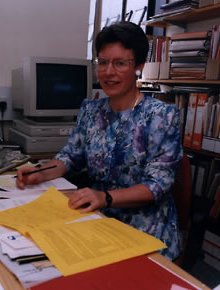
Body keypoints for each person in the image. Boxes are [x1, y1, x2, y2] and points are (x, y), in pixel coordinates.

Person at [16, 21, 183, 260]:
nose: (108, 72)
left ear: (138, 67)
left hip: (145, 227)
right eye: (103, 63)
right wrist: (41, 172)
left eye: (120, 63)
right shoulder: (91, 110)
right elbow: (71, 156)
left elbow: (157, 185)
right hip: (95, 217)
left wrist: (105, 198)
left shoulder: (162, 116)